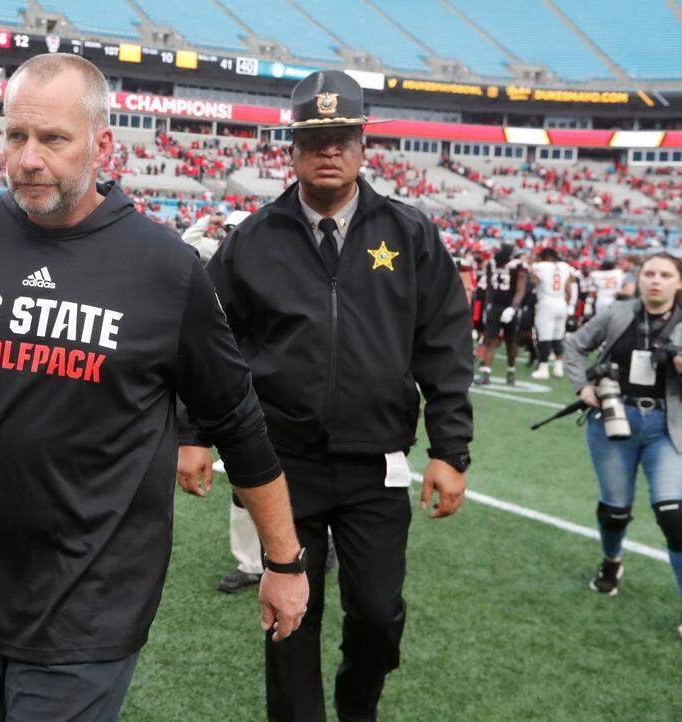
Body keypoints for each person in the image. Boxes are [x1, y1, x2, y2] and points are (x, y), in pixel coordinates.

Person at [0, 53, 308, 722]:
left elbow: (237, 421)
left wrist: (284, 560)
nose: (29, 158)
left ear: (101, 144)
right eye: (16, 136)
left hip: (94, 596)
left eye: (53, 139)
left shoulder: (166, 270)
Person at [178, 70, 472, 722]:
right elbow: (210, 344)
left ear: (362, 144)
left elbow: (445, 345)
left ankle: (357, 704)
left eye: (341, 137)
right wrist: (193, 434)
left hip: (376, 464)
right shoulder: (253, 238)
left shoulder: (410, 233)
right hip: (281, 465)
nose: (328, 150)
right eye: (315, 138)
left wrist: (451, 448)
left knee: (376, 613)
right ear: (293, 148)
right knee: (288, 613)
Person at [564, 252, 682, 638]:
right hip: (615, 418)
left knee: (673, 515)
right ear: (639, 277)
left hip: (668, 425)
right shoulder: (617, 313)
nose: (656, 281)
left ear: (678, 282)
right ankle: (612, 560)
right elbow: (575, 344)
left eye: (665, 275)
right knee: (615, 509)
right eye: (649, 273)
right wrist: (582, 385)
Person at [476, 242, 528, 386]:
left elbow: (520, 289)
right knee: (489, 339)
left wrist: (513, 307)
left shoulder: (518, 266)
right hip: (495, 306)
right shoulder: (491, 264)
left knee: (511, 341)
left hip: (510, 307)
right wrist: (487, 306)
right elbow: (488, 288)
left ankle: (511, 371)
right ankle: (486, 372)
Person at [530, 247, 574, 380]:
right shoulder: (565, 266)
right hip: (561, 302)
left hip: (546, 303)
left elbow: (534, 280)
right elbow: (569, 286)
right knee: (558, 336)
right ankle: (558, 367)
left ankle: (543, 368)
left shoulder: (540, 266)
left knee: (544, 337)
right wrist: (568, 303)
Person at [181, 209, 249, 263]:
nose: (230, 234)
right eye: (227, 229)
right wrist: (208, 220)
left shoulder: (252, 256)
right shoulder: (218, 248)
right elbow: (187, 244)